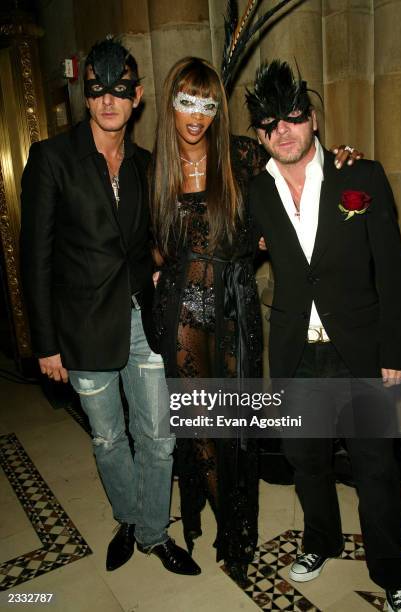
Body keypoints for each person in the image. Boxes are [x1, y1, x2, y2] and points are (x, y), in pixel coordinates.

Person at [150, 56, 359, 587]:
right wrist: (156, 275)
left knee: (237, 429)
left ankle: (237, 532)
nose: (196, 115)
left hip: (235, 308)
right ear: (170, 103)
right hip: (182, 315)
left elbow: (299, 175)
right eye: (186, 101)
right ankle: (220, 520)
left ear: (218, 108)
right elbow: (146, 244)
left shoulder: (242, 156)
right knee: (201, 427)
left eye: (207, 103)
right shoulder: (154, 168)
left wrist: (342, 160)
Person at [20, 38, 199, 577]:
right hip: (80, 329)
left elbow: (157, 238)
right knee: (107, 436)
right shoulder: (52, 158)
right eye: (97, 90)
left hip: (144, 320)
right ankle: (127, 517)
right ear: (86, 95)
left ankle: (151, 532)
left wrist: (164, 264)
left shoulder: (147, 164)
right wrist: (46, 344)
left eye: (119, 90)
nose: (107, 101)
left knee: (159, 435)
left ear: (137, 96)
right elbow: (37, 259)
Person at [247, 59, 401, 611]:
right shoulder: (257, 193)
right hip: (296, 355)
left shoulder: (358, 176)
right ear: (260, 134)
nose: (282, 132)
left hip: (362, 352)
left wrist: (396, 351)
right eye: (269, 125)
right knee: (306, 462)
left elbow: (393, 271)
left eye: (292, 118)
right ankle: (320, 541)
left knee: (376, 470)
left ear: (312, 119)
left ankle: (392, 570)